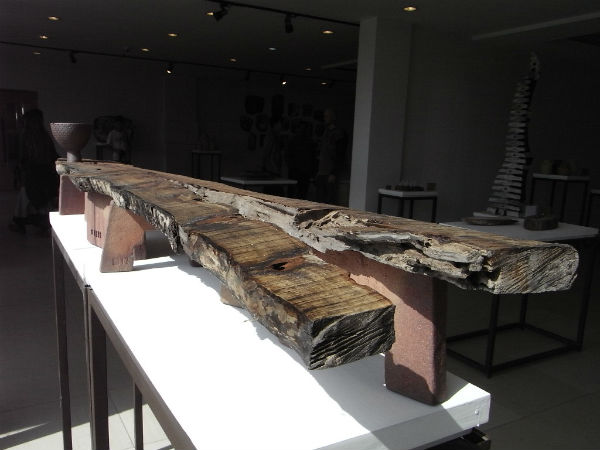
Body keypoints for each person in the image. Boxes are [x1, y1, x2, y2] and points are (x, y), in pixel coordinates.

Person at [10, 109, 59, 234]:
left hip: (43, 172)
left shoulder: (43, 136)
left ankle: (41, 222)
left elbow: (52, 154)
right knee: (28, 195)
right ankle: (26, 222)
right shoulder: (26, 136)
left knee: (40, 195)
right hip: (33, 172)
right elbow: (21, 157)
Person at [315, 108, 347, 204]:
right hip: (321, 171)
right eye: (324, 116)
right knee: (320, 200)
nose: (325, 118)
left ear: (333, 117)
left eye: (327, 116)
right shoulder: (325, 133)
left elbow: (340, 154)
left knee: (330, 200)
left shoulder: (338, 133)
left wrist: (334, 173)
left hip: (330, 172)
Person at [286, 121, 315, 199]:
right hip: (299, 171)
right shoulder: (294, 141)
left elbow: (312, 157)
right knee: (298, 194)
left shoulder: (308, 141)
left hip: (301, 172)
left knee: (298, 194)